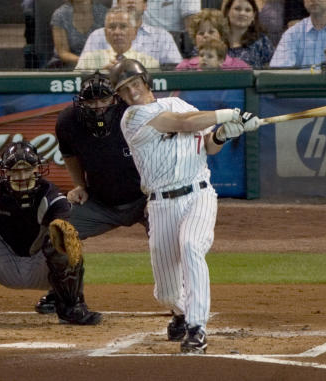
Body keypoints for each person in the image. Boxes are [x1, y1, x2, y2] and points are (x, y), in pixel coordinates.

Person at [109, 58, 261, 353]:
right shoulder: (132, 118)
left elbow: (207, 145)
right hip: (160, 204)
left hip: (198, 194)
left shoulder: (183, 105)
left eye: (134, 83)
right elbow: (181, 125)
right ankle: (179, 312)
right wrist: (230, 114)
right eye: (124, 89)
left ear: (146, 80)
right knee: (166, 292)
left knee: (192, 246)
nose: (131, 91)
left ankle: (196, 328)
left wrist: (225, 133)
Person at [0, 141, 102, 326]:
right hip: (7, 265)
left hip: (43, 268)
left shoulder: (50, 195)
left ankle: (69, 306)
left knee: (62, 238)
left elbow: (64, 229)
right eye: (15, 170)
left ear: (37, 169)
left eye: (27, 170)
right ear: (5, 172)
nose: (21, 176)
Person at [34, 71, 148, 314]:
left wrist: (156, 196)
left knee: (171, 236)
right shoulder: (68, 121)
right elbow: (69, 155)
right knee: (59, 231)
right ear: (81, 100)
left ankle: (180, 300)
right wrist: (81, 186)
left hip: (144, 199)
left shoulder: (134, 115)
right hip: (101, 202)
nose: (97, 106)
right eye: (91, 100)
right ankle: (63, 294)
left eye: (103, 99)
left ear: (115, 98)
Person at [81, 0, 183, 67]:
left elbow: (174, 71)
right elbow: (79, 76)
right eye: (112, 27)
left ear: (145, 5)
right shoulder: (97, 36)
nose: (131, 1)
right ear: (117, 3)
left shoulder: (162, 37)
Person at [75, 7, 160, 70]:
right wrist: (102, 75)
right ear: (105, 33)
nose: (117, 32)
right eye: (112, 27)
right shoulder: (88, 60)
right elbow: (75, 87)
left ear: (134, 33)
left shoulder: (149, 63)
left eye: (123, 27)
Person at [175, 8, 250, 70]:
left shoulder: (239, 67)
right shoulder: (184, 67)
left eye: (211, 32)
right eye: (201, 33)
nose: (206, 36)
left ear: (221, 36)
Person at [49, 0, 108, 68]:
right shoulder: (60, 15)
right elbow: (63, 53)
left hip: (100, 65)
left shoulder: (105, 14)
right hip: (66, 66)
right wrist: (87, 62)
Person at [222, 0, 274, 68]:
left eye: (247, 10)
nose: (242, 13)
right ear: (228, 12)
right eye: (237, 9)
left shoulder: (262, 41)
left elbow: (271, 70)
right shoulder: (218, 39)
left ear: (253, 16)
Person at [176, 37, 250, 69]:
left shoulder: (229, 75)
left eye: (210, 56)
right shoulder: (188, 69)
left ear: (220, 61)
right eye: (201, 55)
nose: (204, 58)